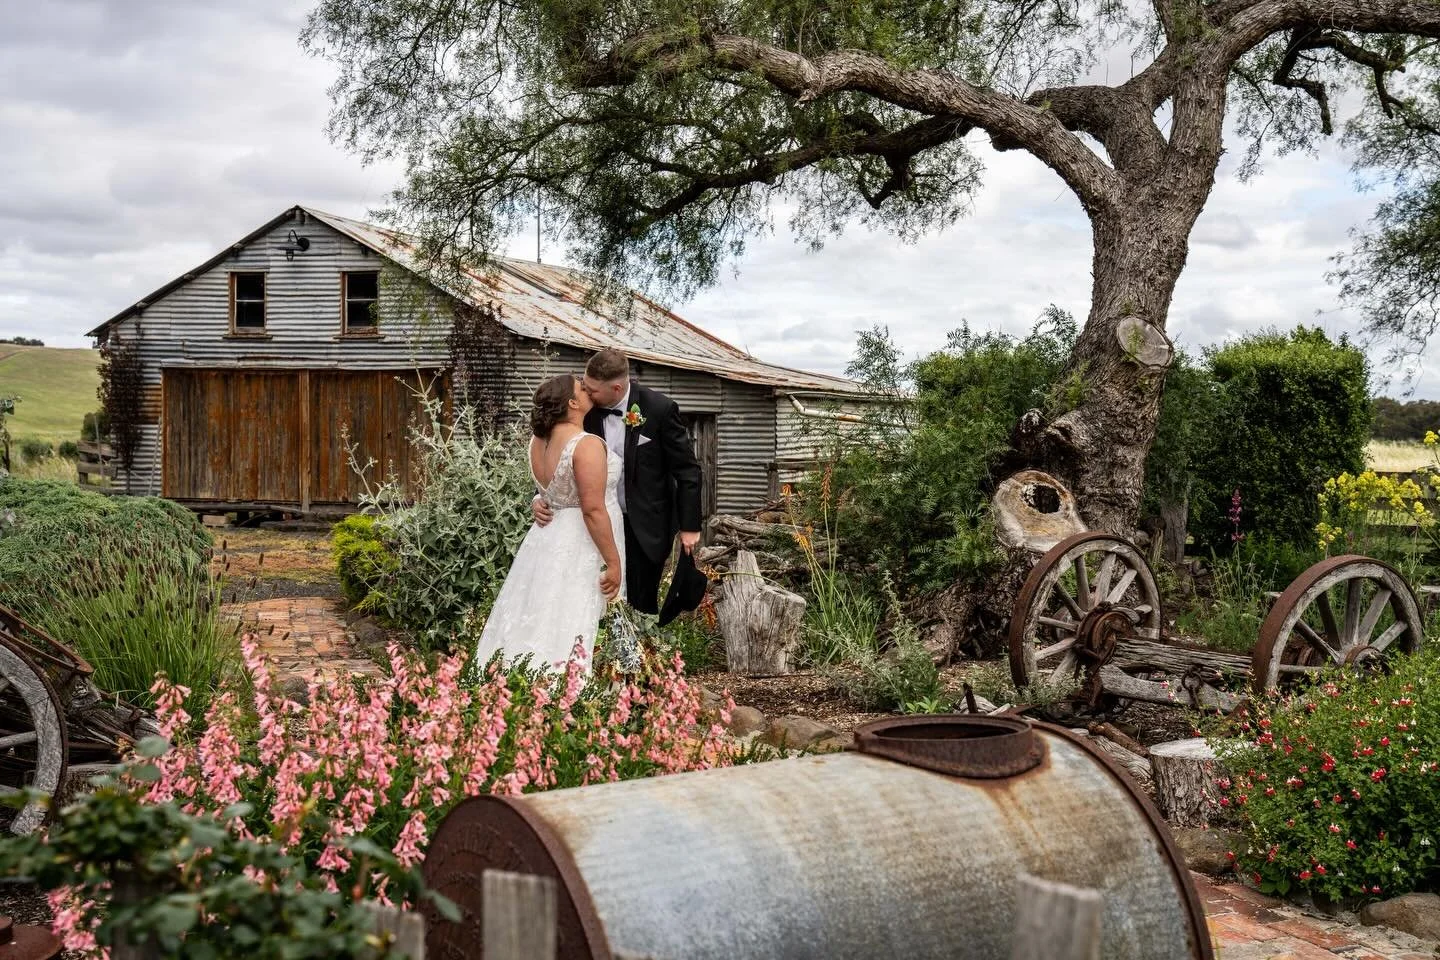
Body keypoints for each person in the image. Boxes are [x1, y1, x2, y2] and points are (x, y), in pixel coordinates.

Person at [533, 349, 704, 615]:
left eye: (592, 390)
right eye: (584, 386)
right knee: (595, 600)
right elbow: (560, 458)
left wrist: (690, 525)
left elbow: (688, 470)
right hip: (594, 526)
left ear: (616, 388)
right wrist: (540, 497)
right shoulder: (584, 411)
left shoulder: (659, 408)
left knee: (641, 605)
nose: (587, 393)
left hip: (646, 526)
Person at [476, 373, 623, 673]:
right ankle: (564, 681)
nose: (587, 389)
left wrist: (537, 500)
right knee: (571, 613)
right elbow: (593, 510)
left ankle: (520, 675)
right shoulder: (586, 444)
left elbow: (550, 489)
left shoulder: (537, 442)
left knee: (539, 610)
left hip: (546, 537)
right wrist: (613, 562)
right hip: (580, 541)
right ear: (572, 403)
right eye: (582, 388)